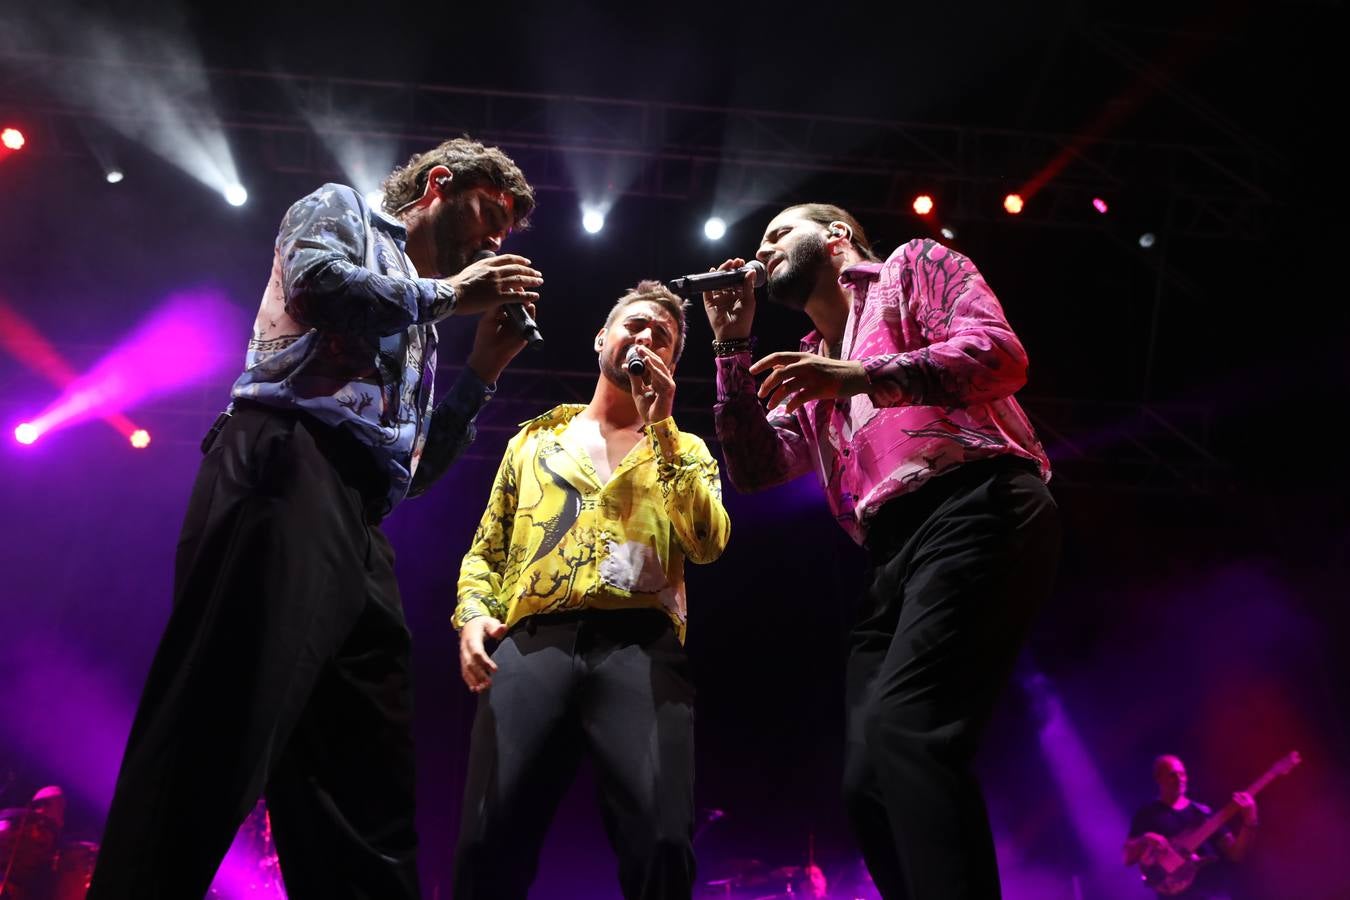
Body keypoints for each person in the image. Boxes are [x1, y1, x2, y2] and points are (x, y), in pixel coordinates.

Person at [87, 137, 541, 900]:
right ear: (439, 184)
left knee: (365, 769)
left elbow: (415, 473)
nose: (496, 242)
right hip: (283, 463)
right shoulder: (344, 210)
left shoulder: (426, 316)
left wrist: (483, 373)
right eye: (491, 215)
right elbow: (320, 286)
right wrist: (454, 295)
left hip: (359, 519)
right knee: (220, 717)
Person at [704, 204, 1060, 899]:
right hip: (893, 551)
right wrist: (730, 348)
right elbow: (753, 469)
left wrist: (862, 377)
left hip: (976, 502)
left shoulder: (910, 268)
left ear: (836, 239)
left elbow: (1000, 354)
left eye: (779, 233)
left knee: (909, 729)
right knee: (867, 781)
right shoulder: (810, 366)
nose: (762, 249)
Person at [451, 281, 730, 899]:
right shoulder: (533, 441)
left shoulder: (685, 450)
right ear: (603, 338)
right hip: (532, 638)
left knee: (662, 841)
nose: (648, 337)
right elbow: (487, 550)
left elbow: (709, 543)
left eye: (664, 335)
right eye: (636, 324)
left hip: (642, 645)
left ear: (672, 362)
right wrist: (472, 616)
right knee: (485, 836)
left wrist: (661, 429)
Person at [1124, 755, 1257, 899]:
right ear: (1158, 778)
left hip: (1212, 893)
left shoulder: (1203, 812)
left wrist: (1250, 820)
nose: (1179, 779)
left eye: (1182, 774)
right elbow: (1127, 857)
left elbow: (1235, 854)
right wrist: (1145, 839)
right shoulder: (1148, 814)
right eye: (1172, 775)